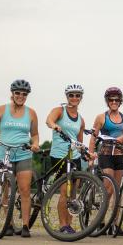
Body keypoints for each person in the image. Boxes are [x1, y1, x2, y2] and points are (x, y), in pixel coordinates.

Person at [0, 79, 39, 237]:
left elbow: (35, 134)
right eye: (18, 93)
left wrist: (35, 144)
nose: (20, 96)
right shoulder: (1, 110)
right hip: (4, 153)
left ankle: (25, 226)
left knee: (24, 190)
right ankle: (8, 224)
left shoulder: (31, 113)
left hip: (23, 153)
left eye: (24, 94)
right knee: (6, 190)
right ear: (12, 94)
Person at [89, 87, 123, 236]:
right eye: (111, 100)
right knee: (108, 188)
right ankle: (99, 222)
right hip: (106, 153)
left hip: (120, 154)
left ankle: (114, 224)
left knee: (117, 190)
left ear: (120, 101)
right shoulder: (101, 117)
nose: (114, 102)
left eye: (116, 100)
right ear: (107, 101)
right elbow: (93, 136)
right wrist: (91, 153)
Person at [46, 84, 85, 234]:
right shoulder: (59, 111)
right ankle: (63, 225)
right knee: (64, 191)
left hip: (74, 156)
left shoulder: (81, 120)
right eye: (71, 95)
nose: (74, 98)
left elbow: (79, 142)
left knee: (73, 193)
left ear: (81, 98)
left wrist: (87, 153)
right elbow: (49, 120)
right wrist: (54, 126)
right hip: (60, 155)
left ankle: (69, 224)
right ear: (67, 97)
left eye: (77, 95)